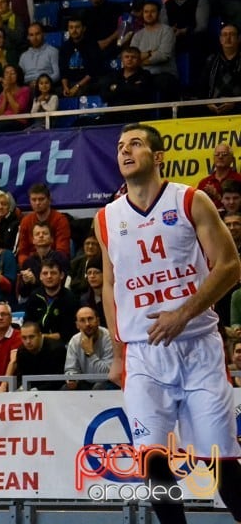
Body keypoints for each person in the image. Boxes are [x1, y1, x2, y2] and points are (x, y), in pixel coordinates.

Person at [95, 122, 241, 524]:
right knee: (154, 464)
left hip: (199, 349)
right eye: (121, 146)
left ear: (158, 157)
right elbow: (110, 285)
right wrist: (119, 353)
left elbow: (230, 267)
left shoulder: (192, 201)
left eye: (136, 144)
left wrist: (183, 313)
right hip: (144, 356)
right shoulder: (106, 218)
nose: (125, 151)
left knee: (222, 467)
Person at [16, 183, 72, 265]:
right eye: (34, 200)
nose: (37, 203)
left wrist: (47, 266)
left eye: (41, 199)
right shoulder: (26, 221)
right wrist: (26, 266)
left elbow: (62, 251)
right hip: (31, 264)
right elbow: (22, 252)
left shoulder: (60, 220)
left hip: (54, 264)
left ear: (49, 200)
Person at [62, 306, 114, 390]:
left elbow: (106, 374)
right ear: (77, 325)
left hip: (108, 382)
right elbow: (71, 369)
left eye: (90, 319)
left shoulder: (109, 338)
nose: (87, 324)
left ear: (98, 321)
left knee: (99, 387)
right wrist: (72, 380)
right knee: (65, 389)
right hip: (85, 382)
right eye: (82, 320)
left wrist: (90, 353)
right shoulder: (75, 340)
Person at [13, 321, 66, 390]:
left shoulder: (57, 349)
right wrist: (22, 387)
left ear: (40, 335)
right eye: (24, 338)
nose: (28, 341)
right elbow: (20, 376)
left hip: (55, 391)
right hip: (30, 392)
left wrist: (38, 389)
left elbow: (60, 378)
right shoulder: (22, 351)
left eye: (31, 337)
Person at [198, 144, 241, 210]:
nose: (220, 157)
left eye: (224, 154)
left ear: (232, 159)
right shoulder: (204, 183)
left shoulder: (238, 179)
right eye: (217, 154)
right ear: (213, 159)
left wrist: (218, 197)